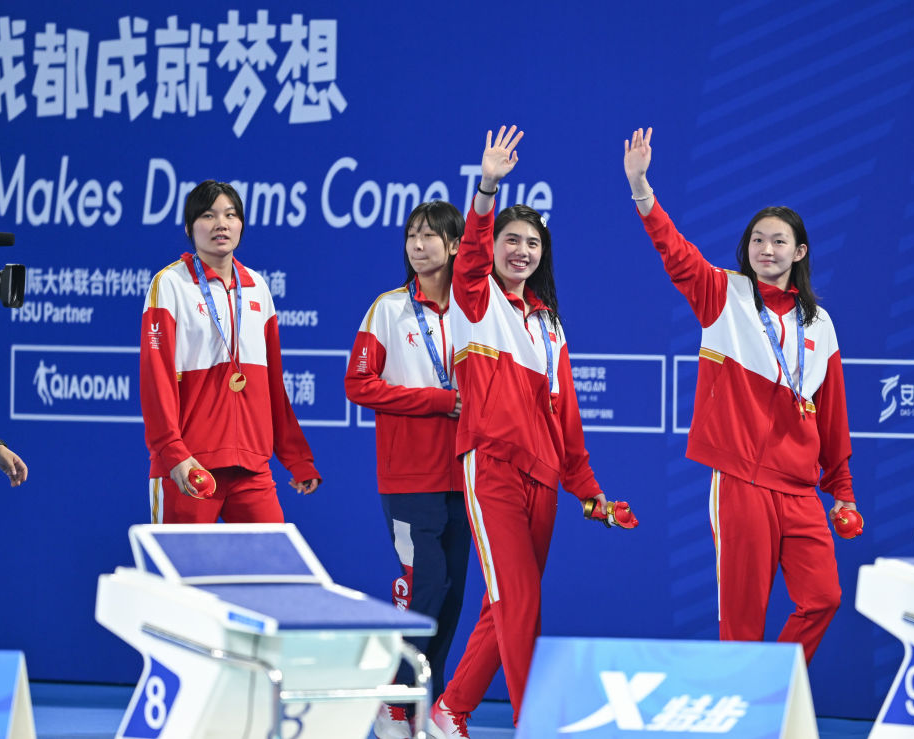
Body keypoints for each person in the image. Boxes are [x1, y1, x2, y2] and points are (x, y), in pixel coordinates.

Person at [623, 127, 858, 664]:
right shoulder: (723, 294)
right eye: (757, 240)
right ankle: (750, 702)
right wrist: (641, 189)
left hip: (800, 489)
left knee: (823, 599)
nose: (766, 249)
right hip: (742, 483)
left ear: (799, 251)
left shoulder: (820, 324)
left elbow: (832, 417)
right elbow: (675, 253)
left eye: (778, 241)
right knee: (742, 622)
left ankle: (768, 691)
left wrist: (842, 492)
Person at [430, 126, 608, 738]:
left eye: (533, 243)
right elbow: (471, 253)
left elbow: (567, 416)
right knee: (520, 600)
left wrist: (588, 489)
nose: (522, 251)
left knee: (504, 601)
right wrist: (487, 189)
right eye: (512, 240)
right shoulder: (474, 298)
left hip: (544, 478)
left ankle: (450, 711)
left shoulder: (549, 323)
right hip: (493, 467)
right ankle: (534, 722)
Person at [344, 200, 472, 739]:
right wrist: (437, 401)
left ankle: (426, 703)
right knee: (427, 587)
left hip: (466, 476)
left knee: (451, 595)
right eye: (412, 236)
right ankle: (392, 699)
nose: (418, 246)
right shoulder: (389, 309)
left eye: (430, 236)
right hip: (409, 478)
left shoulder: (475, 310)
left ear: (456, 245)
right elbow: (358, 384)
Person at [140, 180, 320, 523]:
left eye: (230, 215)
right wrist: (173, 454)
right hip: (189, 465)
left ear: (241, 225)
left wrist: (296, 458)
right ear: (189, 227)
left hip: (251, 467)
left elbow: (273, 383)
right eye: (208, 215)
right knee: (177, 562)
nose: (221, 224)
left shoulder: (257, 287)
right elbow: (156, 380)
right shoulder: (171, 284)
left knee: (272, 559)